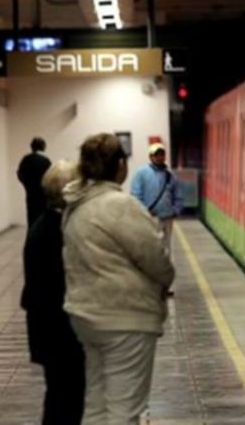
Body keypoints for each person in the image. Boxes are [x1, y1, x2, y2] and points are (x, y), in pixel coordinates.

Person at [62, 133, 175, 425]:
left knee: (97, 407)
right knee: (125, 411)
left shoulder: (75, 205)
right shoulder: (119, 206)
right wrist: (165, 279)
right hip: (125, 319)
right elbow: (155, 258)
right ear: (120, 166)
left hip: (86, 316)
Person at [21, 160, 85, 425]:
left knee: (60, 395)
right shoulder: (57, 232)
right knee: (66, 398)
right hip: (60, 330)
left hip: (48, 329)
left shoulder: (42, 225)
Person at [130, 143, 183, 260]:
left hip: (167, 217)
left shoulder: (170, 175)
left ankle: (165, 271)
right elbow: (135, 195)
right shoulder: (141, 173)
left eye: (162, 154)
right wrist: (144, 212)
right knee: (151, 246)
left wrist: (175, 211)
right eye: (156, 155)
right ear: (150, 157)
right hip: (150, 217)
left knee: (167, 246)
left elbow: (178, 195)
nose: (160, 157)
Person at [17, 137, 52, 227]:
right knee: (43, 222)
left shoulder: (26, 159)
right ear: (43, 146)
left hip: (30, 194)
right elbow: (50, 177)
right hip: (43, 196)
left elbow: (19, 174)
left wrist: (26, 185)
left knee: (31, 219)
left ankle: (31, 238)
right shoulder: (45, 161)